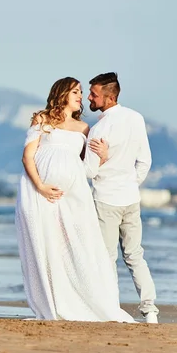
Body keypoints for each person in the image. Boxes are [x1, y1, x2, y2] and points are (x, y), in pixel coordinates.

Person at [15, 76, 135, 323]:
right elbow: (28, 157)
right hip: (40, 193)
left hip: (74, 196)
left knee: (78, 246)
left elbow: (86, 166)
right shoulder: (43, 120)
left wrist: (102, 156)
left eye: (82, 92)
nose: (81, 96)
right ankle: (53, 302)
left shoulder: (84, 129)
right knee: (45, 246)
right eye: (76, 92)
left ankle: (84, 299)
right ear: (62, 94)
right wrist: (41, 187)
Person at [84, 72, 159, 323]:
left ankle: (111, 309)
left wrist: (102, 161)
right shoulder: (136, 118)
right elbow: (145, 161)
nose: (89, 98)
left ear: (110, 97)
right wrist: (129, 183)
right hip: (130, 197)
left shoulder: (97, 130)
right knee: (135, 255)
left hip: (105, 199)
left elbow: (90, 171)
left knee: (107, 258)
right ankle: (149, 310)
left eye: (93, 94)